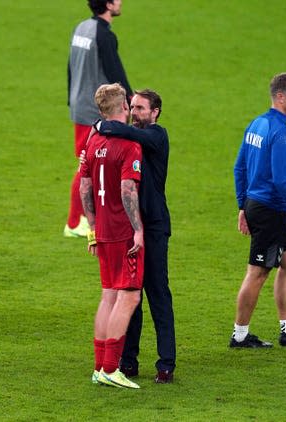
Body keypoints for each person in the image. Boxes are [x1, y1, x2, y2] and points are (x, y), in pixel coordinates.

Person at [231, 72, 286, 348]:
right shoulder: (282, 133)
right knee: (257, 272)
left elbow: (239, 167)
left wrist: (243, 206)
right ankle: (240, 335)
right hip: (270, 210)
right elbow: (282, 181)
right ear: (280, 97)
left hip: (259, 206)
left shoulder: (257, 124)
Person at [96, 89, 176, 383]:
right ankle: (128, 362)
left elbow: (119, 129)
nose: (135, 112)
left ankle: (166, 363)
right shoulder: (130, 138)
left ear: (155, 112)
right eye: (132, 107)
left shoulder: (157, 135)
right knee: (130, 295)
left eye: (141, 108)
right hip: (130, 230)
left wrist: (102, 126)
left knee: (157, 293)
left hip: (153, 228)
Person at [80, 83, 143, 389]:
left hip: (102, 230)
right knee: (129, 296)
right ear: (123, 108)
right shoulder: (128, 144)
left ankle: (98, 367)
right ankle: (110, 368)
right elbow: (128, 189)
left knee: (109, 295)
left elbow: (84, 187)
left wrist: (92, 228)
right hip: (123, 232)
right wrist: (139, 230)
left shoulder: (92, 141)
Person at [65, 0, 132, 238]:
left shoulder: (80, 28)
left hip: (79, 104)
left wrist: (71, 97)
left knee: (88, 162)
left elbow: (70, 67)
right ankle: (74, 223)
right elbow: (115, 72)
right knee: (86, 164)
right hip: (95, 109)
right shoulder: (104, 36)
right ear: (108, 4)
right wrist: (130, 100)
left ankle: (86, 218)